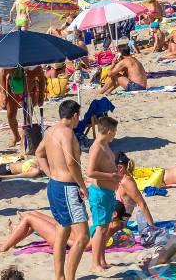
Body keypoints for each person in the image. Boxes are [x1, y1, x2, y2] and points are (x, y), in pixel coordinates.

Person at [37, 100, 88, 280]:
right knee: (82, 237)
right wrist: (83, 186)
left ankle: (59, 276)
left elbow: (39, 153)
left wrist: (51, 174)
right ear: (75, 116)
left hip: (54, 186)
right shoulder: (67, 133)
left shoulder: (50, 131)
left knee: (62, 231)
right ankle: (69, 277)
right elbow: (70, 162)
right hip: (67, 188)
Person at [85, 115, 120, 272]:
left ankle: (102, 259)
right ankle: (94, 263)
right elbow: (90, 172)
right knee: (100, 229)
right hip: (99, 193)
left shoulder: (105, 144)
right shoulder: (96, 147)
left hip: (108, 192)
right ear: (108, 131)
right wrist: (111, 176)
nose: (115, 134)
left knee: (105, 228)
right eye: (114, 131)